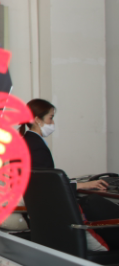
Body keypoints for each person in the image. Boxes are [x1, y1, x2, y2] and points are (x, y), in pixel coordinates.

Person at [20, 98, 117, 250]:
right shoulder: (36, 146)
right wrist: (84, 185)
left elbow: (43, 181)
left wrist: (79, 184)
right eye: (51, 118)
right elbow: (47, 185)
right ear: (38, 119)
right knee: (93, 202)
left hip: (44, 220)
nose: (53, 123)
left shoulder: (25, 142)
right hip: (53, 212)